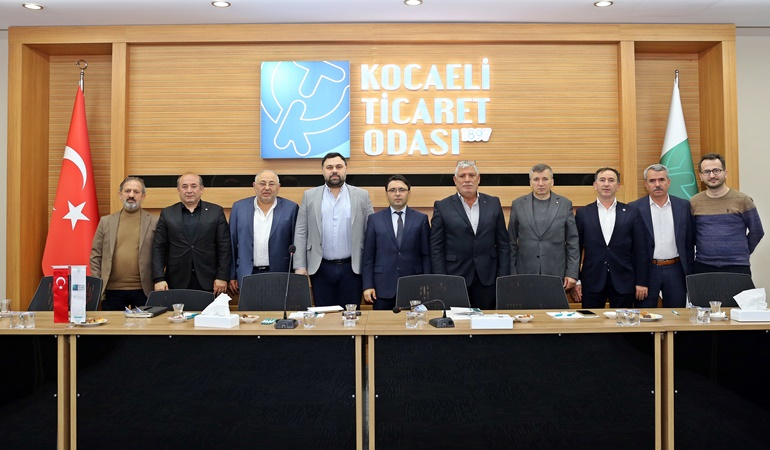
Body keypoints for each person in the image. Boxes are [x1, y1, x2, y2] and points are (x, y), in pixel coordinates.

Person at [293, 152, 374, 307]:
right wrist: (300, 266)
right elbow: (301, 231)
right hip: (320, 268)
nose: (334, 171)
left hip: (353, 268)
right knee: (324, 315)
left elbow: (370, 232)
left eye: (339, 167)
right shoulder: (310, 195)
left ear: (346, 169)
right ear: (323, 171)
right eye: (329, 167)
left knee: (350, 314)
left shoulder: (361, 195)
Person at [430, 160, 510, 310]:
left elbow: (503, 244)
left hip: (488, 278)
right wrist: (441, 279)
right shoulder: (442, 206)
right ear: (455, 180)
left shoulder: (493, 203)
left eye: (471, 175)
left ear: (478, 179)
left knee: (486, 321)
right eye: (462, 176)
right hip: (455, 278)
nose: (467, 179)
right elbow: (436, 247)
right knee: (458, 322)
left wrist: (502, 277)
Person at [574, 167, 648, 308]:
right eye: (602, 180)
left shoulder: (632, 212)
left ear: (618, 186)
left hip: (624, 280)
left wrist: (641, 281)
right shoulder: (583, 213)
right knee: (592, 320)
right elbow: (575, 249)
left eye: (611, 180)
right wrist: (577, 280)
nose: (606, 184)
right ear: (595, 185)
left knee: (623, 321)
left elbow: (640, 249)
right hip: (592, 280)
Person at [152, 173, 231, 295]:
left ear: (201, 189)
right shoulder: (167, 213)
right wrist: (159, 278)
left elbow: (224, 247)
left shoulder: (216, 212)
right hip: (176, 281)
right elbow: (159, 247)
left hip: (210, 281)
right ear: (178, 190)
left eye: (194, 186)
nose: (189, 190)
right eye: (184, 186)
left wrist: (222, 276)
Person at [362, 175, 431, 310]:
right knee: (381, 323)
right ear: (386, 194)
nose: (397, 193)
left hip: (413, 286)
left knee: (414, 323)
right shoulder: (374, 219)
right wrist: (368, 285)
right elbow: (368, 257)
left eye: (402, 190)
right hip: (382, 288)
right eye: (392, 190)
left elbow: (426, 255)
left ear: (409, 194)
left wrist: (427, 284)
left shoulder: (421, 219)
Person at [630, 164, 694, 308]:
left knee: (676, 314)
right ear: (646, 184)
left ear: (668, 182)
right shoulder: (634, 208)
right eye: (652, 181)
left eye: (661, 180)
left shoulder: (683, 206)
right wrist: (639, 280)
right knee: (644, 315)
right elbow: (632, 248)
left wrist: (689, 274)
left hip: (676, 270)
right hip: (647, 270)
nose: (657, 184)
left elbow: (689, 243)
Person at [90, 177, 158, 310]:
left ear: (143, 196)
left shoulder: (155, 222)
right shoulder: (106, 222)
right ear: (120, 194)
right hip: (112, 290)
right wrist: (98, 284)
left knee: (145, 324)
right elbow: (96, 255)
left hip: (144, 290)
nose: (131, 195)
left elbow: (161, 254)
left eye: (136, 192)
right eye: (127, 191)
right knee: (113, 324)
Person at [690, 153, 764, 275]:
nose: (712, 175)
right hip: (703, 266)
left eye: (716, 170)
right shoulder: (694, 202)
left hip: (737, 267)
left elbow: (757, 231)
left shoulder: (743, 200)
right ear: (701, 176)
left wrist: (742, 252)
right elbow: (691, 234)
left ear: (725, 173)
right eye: (707, 172)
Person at [508, 163, 579, 290]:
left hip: (557, 272)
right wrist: (512, 273)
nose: (541, 183)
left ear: (552, 182)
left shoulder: (564, 204)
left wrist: (572, 273)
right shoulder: (518, 204)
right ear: (530, 182)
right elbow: (511, 242)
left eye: (545, 179)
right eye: (536, 179)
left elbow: (572, 241)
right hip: (525, 272)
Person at [228, 170, 299, 294]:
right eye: (262, 183)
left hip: (279, 273)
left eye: (271, 184)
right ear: (254, 186)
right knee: (249, 307)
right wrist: (231, 274)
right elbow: (231, 243)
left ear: (278, 187)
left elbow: (296, 242)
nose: (267, 188)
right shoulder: (239, 207)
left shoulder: (291, 208)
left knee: (277, 306)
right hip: (247, 273)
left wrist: (295, 272)